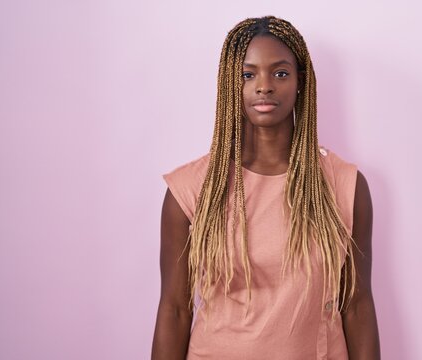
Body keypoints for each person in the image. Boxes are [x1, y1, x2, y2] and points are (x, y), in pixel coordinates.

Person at [151, 16, 381, 360]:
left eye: (281, 73)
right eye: (248, 74)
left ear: (300, 82)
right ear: (231, 83)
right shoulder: (191, 188)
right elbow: (174, 310)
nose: (265, 86)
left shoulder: (343, 184)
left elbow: (357, 305)